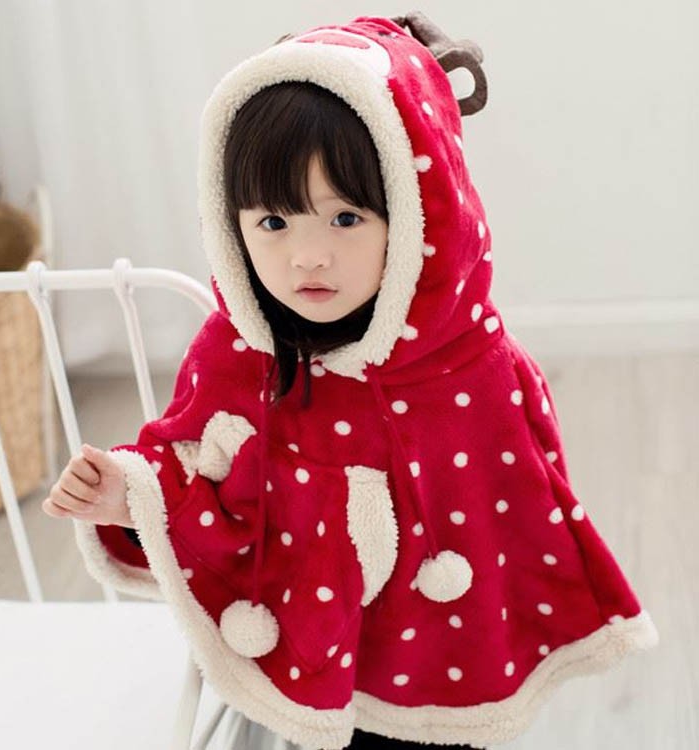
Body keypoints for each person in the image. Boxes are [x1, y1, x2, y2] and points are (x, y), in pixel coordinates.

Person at [42, 14, 658, 750]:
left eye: (345, 218)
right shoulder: (241, 355)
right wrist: (131, 493)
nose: (308, 257)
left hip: (443, 651)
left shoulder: (470, 371)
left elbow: (514, 515)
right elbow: (204, 479)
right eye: (274, 222)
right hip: (312, 643)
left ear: (419, 215)